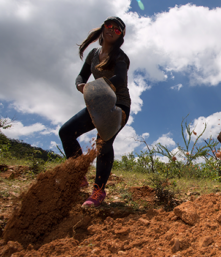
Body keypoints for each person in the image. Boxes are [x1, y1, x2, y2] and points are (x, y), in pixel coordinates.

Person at [59, 16, 131, 207]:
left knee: (104, 143)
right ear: (103, 28)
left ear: (121, 36)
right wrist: (81, 85)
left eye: (117, 30)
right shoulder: (93, 54)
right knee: (66, 132)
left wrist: (99, 86)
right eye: (109, 26)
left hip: (118, 105)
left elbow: (121, 79)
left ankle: (98, 192)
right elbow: (82, 75)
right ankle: (78, 173)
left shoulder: (119, 56)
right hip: (97, 103)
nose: (112, 30)